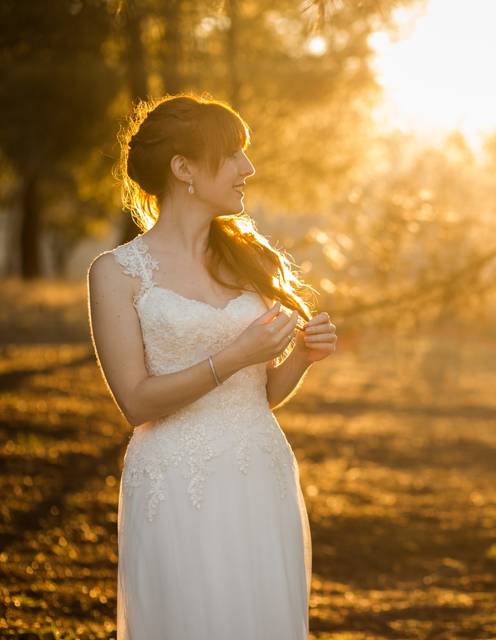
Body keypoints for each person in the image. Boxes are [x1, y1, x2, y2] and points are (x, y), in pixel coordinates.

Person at [87, 94, 337, 639]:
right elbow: (135, 401)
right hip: (176, 479)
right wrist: (233, 356)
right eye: (233, 155)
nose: (248, 168)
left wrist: (303, 358)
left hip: (260, 469)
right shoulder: (117, 273)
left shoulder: (255, 262)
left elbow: (262, 391)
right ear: (184, 170)